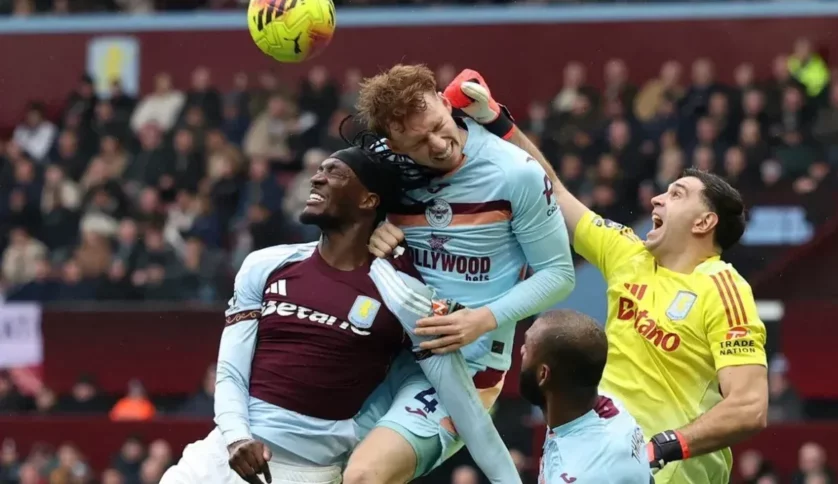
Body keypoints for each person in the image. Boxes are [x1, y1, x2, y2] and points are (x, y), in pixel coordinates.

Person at [438, 69, 769, 484]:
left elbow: (749, 407)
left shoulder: (723, 287)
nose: (656, 197)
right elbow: (552, 192)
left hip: (668, 473)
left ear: (704, 222)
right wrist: (497, 122)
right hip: (589, 462)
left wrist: (664, 446)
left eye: (677, 194)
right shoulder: (627, 252)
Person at [161, 142, 517, 484]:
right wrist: (237, 438)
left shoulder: (401, 291)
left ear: (369, 199)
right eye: (318, 171)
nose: (316, 179)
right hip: (219, 455)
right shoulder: (266, 263)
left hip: (305, 472)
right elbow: (230, 372)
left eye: (334, 172)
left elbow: (465, 405)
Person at [346, 64, 576, 484]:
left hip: (466, 365)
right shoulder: (383, 173)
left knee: (363, 475)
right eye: (417, 141)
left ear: (442, 99)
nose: (437, 145)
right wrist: (369, 235)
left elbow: (559, 275)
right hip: (383, 352)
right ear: (393, 142)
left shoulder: (515, 172)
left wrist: (480, 320)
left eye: (438, 125)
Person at [520, 310, 651, 483]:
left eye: (527, 348)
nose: (521, 350)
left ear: (543, 375)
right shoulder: (597, 407)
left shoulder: (581, 475)